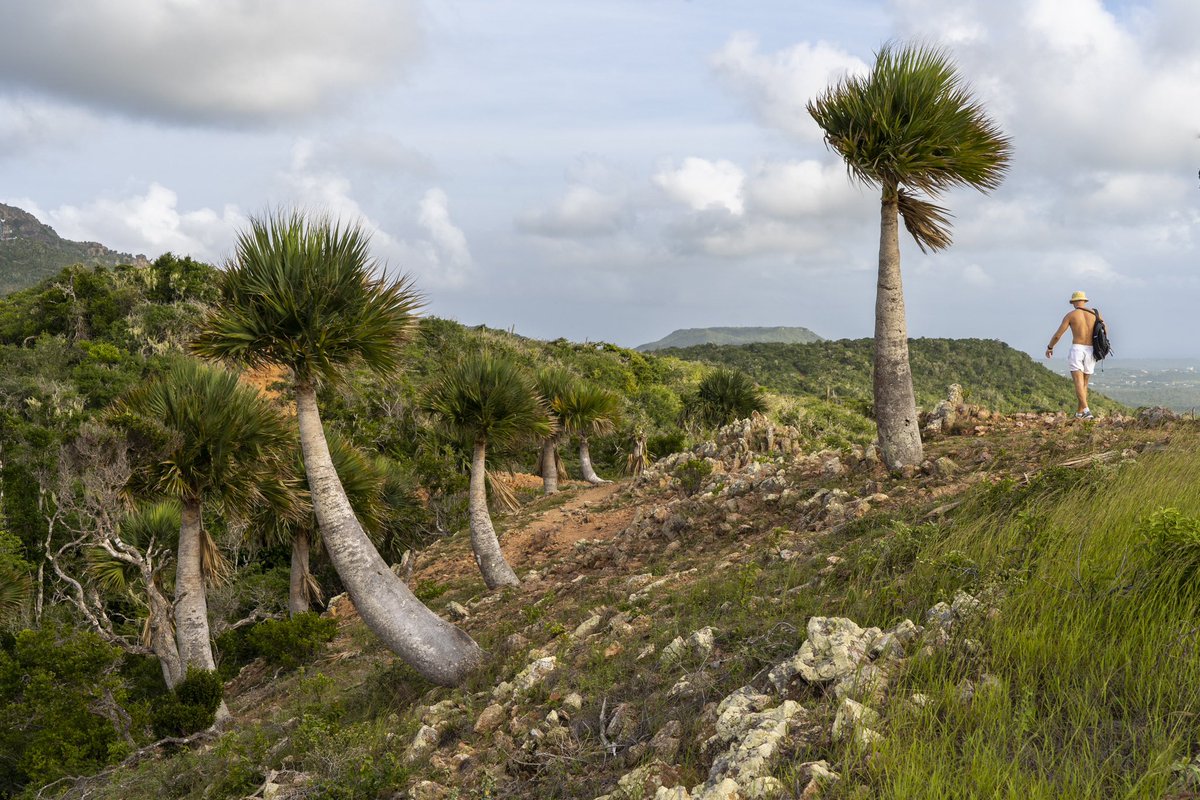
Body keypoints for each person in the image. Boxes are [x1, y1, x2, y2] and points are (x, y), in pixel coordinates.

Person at [1045, 291, 1106, 419]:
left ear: (1073, 302)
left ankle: (1087, 411)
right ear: (1084, 301)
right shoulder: (1096, 314)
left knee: (1078, 381)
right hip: (1092, 350)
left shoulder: (1071, 315)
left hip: (1077, 349)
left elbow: (1058, 335)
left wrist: (1050, 347)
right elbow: (1105, 330)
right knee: (1084, 383)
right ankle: (1079, 413)